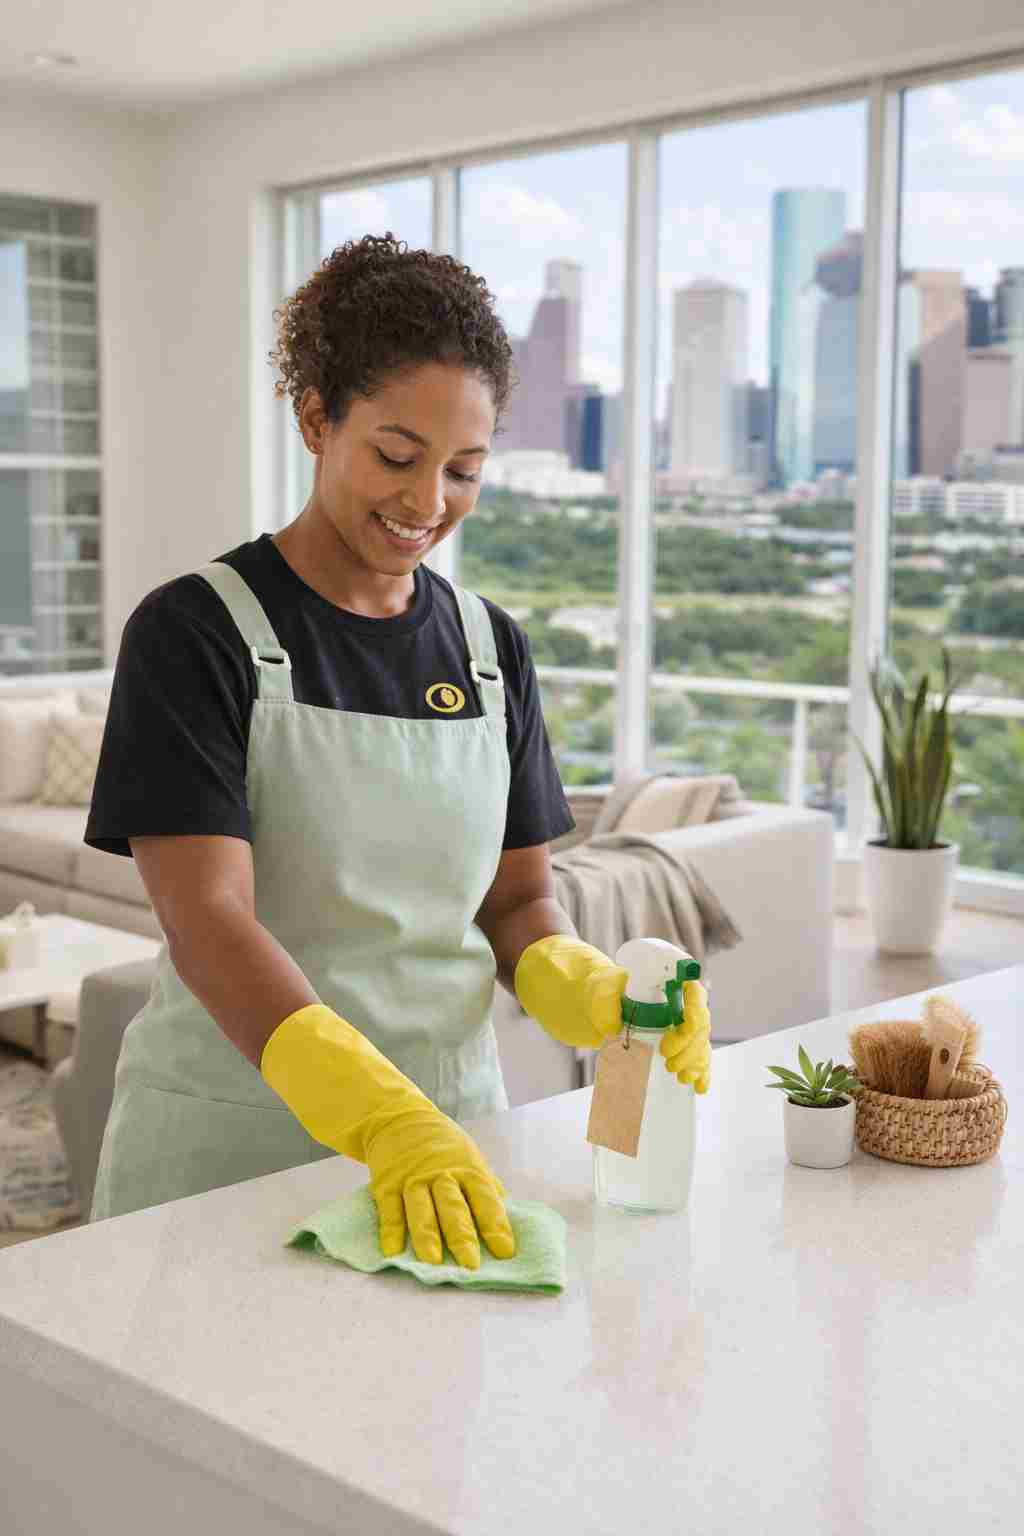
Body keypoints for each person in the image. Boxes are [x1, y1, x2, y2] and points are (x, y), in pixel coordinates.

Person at [85, 232, 711, 1265]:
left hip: (452, 1147)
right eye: (395, 455)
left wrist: (591, 993)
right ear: (316, 418)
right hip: (229, 1153)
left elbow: (515, 908)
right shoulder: (194, 631)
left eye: (465, 470)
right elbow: (206, 919)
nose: (427, 505)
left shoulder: (490, 648)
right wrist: (380, 1117)